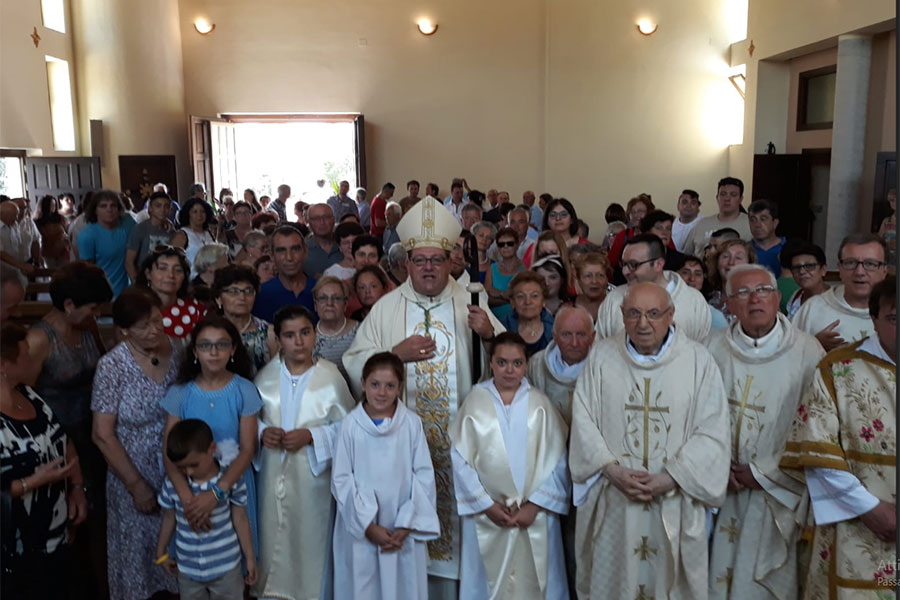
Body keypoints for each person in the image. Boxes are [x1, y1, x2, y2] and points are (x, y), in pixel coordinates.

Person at [343, 196, 503, 598]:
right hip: (400, 449)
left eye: (437, 259)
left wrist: (487, 335)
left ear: (451, 261)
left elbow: (508, 361)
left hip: (459, 443)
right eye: (420, 260)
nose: (429, 267)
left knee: (458, 536)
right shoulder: (386, 308)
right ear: (406, 264)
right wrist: (395, 354)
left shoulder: (471, 300)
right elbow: (355, 360)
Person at [569, 282, 730, 599]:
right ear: (621, 316)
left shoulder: (698, 361)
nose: (643, 323)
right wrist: (613, 472)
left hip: (674, 501)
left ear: (671, 315)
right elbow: (583, 420)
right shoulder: (601, 356)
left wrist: (671, 478)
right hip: (615, 501)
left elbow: (713, 429)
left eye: (654, 314)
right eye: (634, 313)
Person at [705, 264, 824, 598]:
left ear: (777, 298)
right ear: (727, 304)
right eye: (742, 292)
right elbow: (695, 415)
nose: (754, 298)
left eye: (763, 290)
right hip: (721, 488)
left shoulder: (808, 352)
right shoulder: (710, 349)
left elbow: (816, 426)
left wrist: (763, 473)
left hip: (778, 492)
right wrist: (716, 467)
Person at [780, 276, 896, 599]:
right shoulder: (839, 368)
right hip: (856, 526)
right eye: (894, 318)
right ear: (873, 318)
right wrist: (872, 509)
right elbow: (818, 450)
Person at [450, 332, 570, 599]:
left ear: (526, 365)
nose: (509, 370)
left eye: (517, 363)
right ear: (490, 363)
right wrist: (486, 505)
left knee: (538, 581)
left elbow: (558, 461)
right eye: (502, 362)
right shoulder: (474, 402)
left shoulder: (540, 405)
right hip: (487, 515)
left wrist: (534, 505)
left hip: (533, 516)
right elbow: (460, 460)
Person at [253, 305, 356, 600]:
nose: (298, 342)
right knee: (272, 534)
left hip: (314, 481)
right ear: (279, 338)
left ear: (314, 334)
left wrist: (312, 435)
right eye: (289, 335)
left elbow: (349, 428)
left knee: (310, 542)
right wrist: (263, 433)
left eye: (304, 333)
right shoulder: (265, 377)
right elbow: (251, 422)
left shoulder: (331, 377)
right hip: (272, 474)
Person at [91, 287, 180, 600]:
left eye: (158, 320)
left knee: (176, 562)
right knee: (139, 564)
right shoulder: (112, 366)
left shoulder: (178, 349)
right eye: (144, 326)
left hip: (177, 470)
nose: (155, 330)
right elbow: (102, 433)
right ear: (124, 330)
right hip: (131, 471)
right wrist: (136, 485)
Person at [331, 352, 439, 600]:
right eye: (375, 384)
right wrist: (367, 526)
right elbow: (341, 479)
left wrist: (406, 522)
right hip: (363, 529)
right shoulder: (350, 425)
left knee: (403, 587)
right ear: (363, 383)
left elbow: (423, 475)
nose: (382, 392)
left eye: (390, 386)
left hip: (402, 525)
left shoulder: (411, 424)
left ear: (400, 387)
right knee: (363, 587)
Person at [161, 317, 262, 560]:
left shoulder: (244, 389)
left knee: (236, 560)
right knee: (196, 559)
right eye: (205, 345)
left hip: (234, 483)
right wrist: (189, 500)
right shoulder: (180, 392)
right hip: (190, 487)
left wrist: (216, 493)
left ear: (233, 349)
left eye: (222, 344)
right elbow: (168, 451)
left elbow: (248, 449)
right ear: (195, 350)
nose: (214, 352)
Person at [1, 323, 88, 600]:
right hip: (11, 545)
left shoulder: (31, 395)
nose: (32, 357)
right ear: (4, 364)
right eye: (25, 354)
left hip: (52, 533)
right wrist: (33, 482)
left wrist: (76, 487)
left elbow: (63, 440)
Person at [156, 419, 257, 599]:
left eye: (194, 465)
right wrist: (161, 550)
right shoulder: (173, 485)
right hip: (188, 569)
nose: (188, 472)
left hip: (226, 568)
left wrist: (249, 558)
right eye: (181, 467)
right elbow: (169, 518)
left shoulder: (230, 480)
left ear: (212, 449)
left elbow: (240, 518)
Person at [596, 234, 711, 342]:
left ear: (658, 264)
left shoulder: (694, 301)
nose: (625, 271)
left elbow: (702, 352)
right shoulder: (613, 300)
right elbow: (599, 349)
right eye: (624, 264)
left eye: (633, 265)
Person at [793, 233, 888, 351]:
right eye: (851, 263)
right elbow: (788, 359)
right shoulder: (812, 309)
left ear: (884, 270)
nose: (859, 272)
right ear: (840, 268)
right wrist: (815, 345)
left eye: (870, 264)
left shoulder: (892, 311)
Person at [213, 265, 278, 376]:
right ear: (219, 298)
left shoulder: (269, 333)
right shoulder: (208, 333)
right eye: (233, 291)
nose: (242, 297)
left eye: (248, 291)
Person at [137, 245, 208, 340]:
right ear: (148, 274)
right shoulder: (135, 308)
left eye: (178, 270)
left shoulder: (195, 309)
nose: (171, 275)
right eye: (162, 268)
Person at [77, 190, 137, 297]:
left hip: (128, 293)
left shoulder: (127, 223)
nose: (109, 209)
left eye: (113, 205)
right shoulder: (87, 236)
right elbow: (88, 273)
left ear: (119, 209)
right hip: (103, 295)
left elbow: (146, 232)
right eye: (103, 206)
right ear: (95, 210)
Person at [253, 225, 317, 323]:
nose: (289, 257)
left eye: (295, 249)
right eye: (281, 250)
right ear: (272, 255)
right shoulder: (260, 295)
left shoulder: (320, 290)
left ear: (305, 251)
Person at [683, 177, 752, 257]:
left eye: (733, 195)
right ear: (717, 197)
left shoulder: (750, 224)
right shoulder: (701, 224)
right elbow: (685, 255)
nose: (727, 198)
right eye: (723, 194)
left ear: (740, 199)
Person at [312, 276, 359, 384]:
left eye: (336, 298)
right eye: (323, 298)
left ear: (345, 304)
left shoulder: (361, 331)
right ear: (315, 305)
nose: (329, 303)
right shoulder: (306, 336)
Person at [501, 271, 554, 357]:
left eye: (534, 296)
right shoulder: (501, 328)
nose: (528, 302)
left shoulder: (556, 330)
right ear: (512, 303)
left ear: (544, 301)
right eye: (521, 296)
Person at [125, 191, 175, 282]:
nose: (162, 210)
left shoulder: (171, 230)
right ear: (150, 208)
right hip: (145, 278)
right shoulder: (140, 229)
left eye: (166, 206)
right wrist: (137, 282)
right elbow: (129, 261)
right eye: (158, 206)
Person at [706, 238, 757, 322]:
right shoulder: (706, 295)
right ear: (717, 263)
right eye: (725, 256)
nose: (731, 262)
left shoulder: (757, 297)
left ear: (750, 265)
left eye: (738, 258)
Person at [675, 254, 729, 330]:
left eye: (697, 274)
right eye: (685, 272)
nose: (692, 278)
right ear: (675, 275)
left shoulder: (711, 314)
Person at [171, 197, 218, 278]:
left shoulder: (209, 233)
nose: (199, 215)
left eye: (202, 211)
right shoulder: (182, 234)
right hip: (191, 280)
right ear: (188, 214)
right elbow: (173, 261)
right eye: (195, 212)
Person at [606, 195, 655, 271]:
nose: (636, 215)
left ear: (649, 213)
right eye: (632, 212)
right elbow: (610, 263)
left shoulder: (657, 234)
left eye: (640, 211)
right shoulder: (623, 235)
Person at [485, 227, 523, 321]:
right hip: (495, 321)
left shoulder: (525, 269)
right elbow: (486, 299)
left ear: (517, 245)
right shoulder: (492, 269)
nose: (505, 247)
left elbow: (524, 299)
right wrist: (508, 296)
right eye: (501, 244)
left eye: (510, 243)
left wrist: (497, 294)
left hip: (519, 321)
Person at [784, 242, 829, 320]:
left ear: (823, 270)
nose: (802, 271)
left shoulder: (833, 301)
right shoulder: (796, 297)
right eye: (796, 267)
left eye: (809, 266)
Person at [747, 199, 786, 276]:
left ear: (775, 223)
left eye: (763, 219)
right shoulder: (745, 250)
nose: (757, 225)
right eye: (752, 220)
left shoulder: (788, 249)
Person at [304, 203, 342, 279]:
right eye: (316, 219)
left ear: (334, 219)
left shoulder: (346, 245)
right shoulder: (302, 249)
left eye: (327, 217)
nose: (322, 222)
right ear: (308, 222)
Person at [573, 253, 610, 322]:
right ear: (578, 280)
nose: (594, 281)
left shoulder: (615, 307)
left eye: (600, 275)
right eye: (588, 276)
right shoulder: (568, 305)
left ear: (607, 279)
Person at [34, 195, 69, 268]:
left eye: (55, 204)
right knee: (51, 271)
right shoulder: (38, 222)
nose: (54, 207)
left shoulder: (60, 218)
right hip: (47, 252)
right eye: (52, 205)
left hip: (62, 251)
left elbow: (67, 232)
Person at [877, 188, 896, 264]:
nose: (892, 203)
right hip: (887, 261)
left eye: (894, 200)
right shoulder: (886, 221)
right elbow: (878, 241)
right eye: (890, 200)